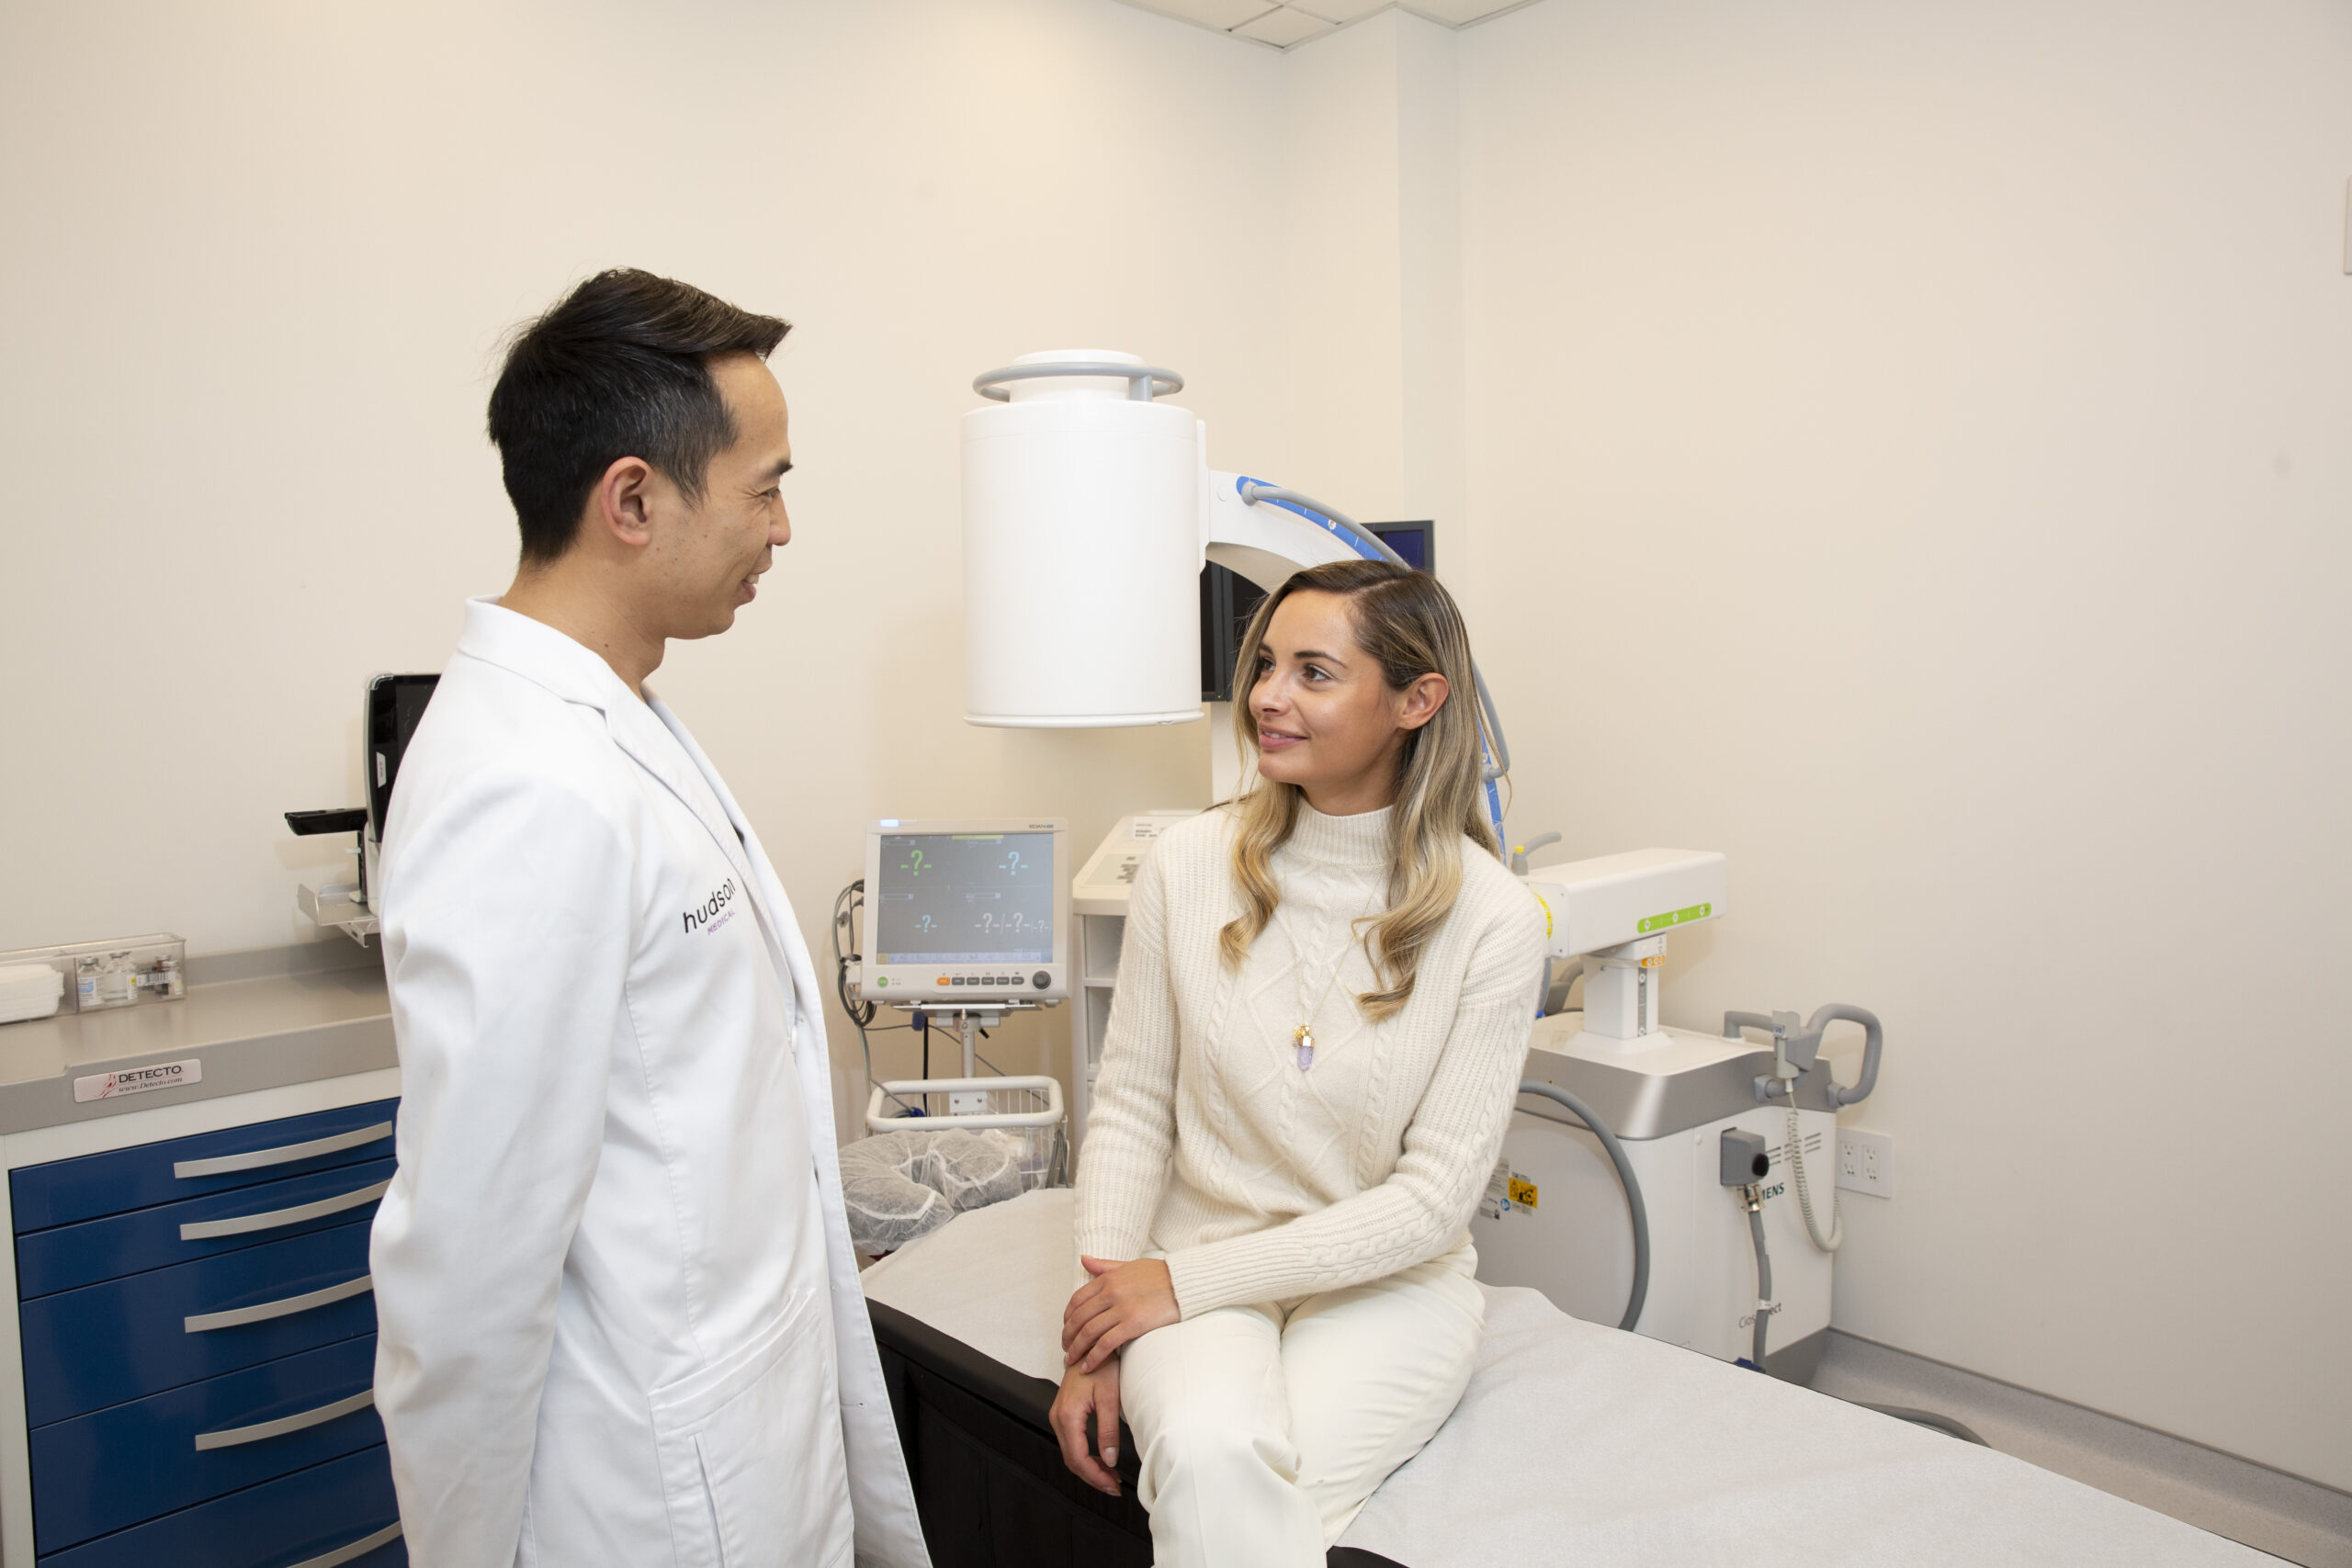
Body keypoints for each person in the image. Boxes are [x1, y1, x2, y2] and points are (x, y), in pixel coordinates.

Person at [370, 269, 929, 1568]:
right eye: (767, 484)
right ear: (632, 498)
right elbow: (471, 1257)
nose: (783, 528)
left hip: (735, 1424)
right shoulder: (527, 780)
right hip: (649, 1490)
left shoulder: (612, 717)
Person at [1049, 558, 1544, 1567]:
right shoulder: (1189, 866)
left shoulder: (1492, 920)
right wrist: (1099, 1328)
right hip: (1192, 1254)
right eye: (1266, 664)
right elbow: (1133, 1105)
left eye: (1313, 673)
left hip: (1390, 1284)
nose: (1266, 698)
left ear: (1417, 699)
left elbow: (1430, 1202)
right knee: (1208, 1451)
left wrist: (1181, 1287)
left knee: (1247, 1488)